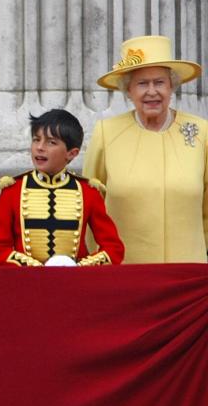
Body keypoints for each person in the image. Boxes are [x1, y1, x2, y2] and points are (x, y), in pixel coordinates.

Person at [84, 35, 206, 263]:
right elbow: (90, 207)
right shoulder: (106, 133)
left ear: (172, 86)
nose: (152, 91)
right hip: (126, 272)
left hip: (189, 273)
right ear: (128, 90)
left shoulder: (201, 132)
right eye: (142, 83)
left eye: (159, 82)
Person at [0, 109, 124, 267]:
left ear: (72, 153)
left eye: (51, 142)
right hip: (26, 282)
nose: (40, 147)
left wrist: (79, 267)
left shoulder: (88, 192)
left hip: (74, 283)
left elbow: (114, 248)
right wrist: (33, 267)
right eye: (36, 140)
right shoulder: (12, 190)